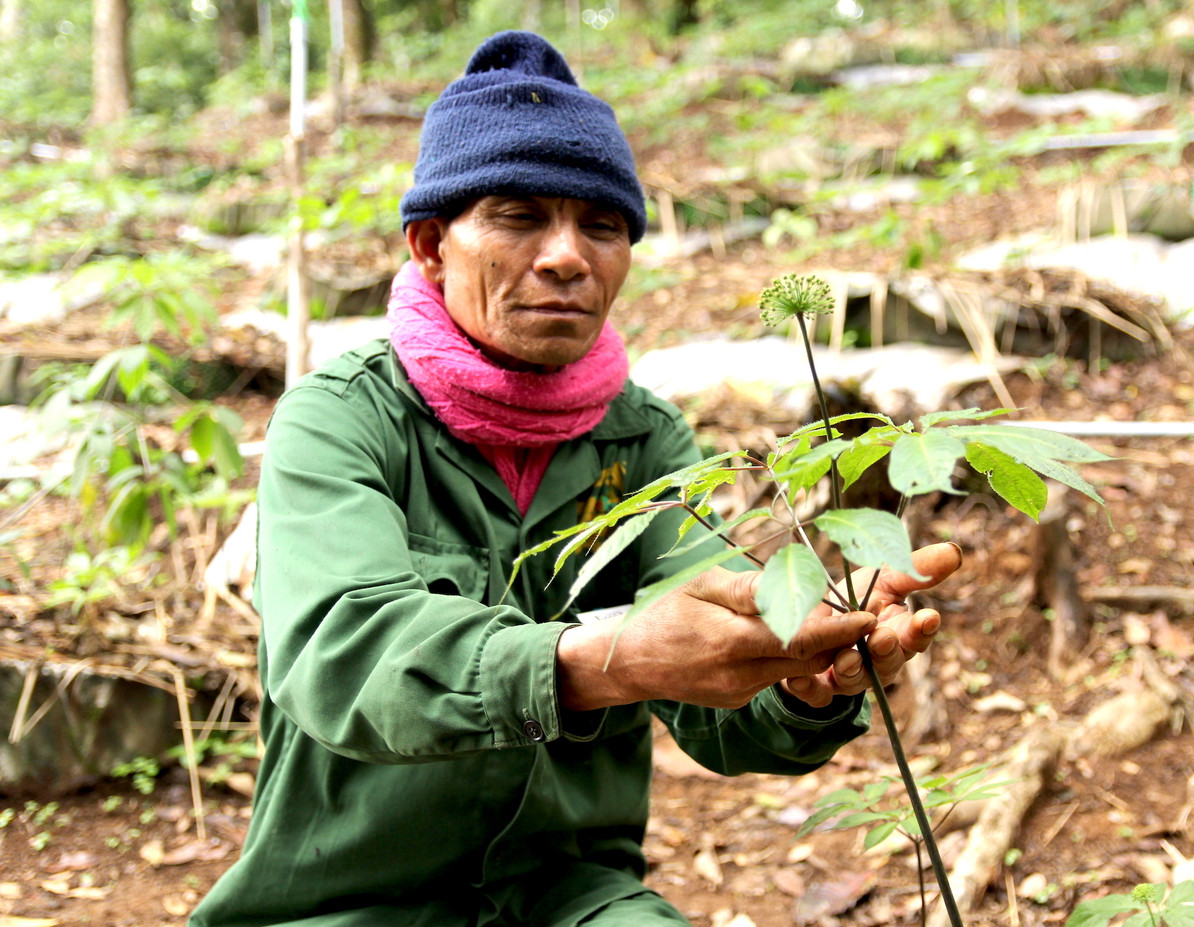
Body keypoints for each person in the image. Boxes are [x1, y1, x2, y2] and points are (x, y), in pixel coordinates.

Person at [190, 30, 961, 927]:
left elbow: (712, 685)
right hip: (342, 901)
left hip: (568, 898)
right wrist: (604, 657)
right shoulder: (343, 419)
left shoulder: (645, 440)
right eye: (519, 215)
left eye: (601, 224)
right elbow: (346, 649)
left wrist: (801, 675)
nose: (568, 256)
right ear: (432, 244)